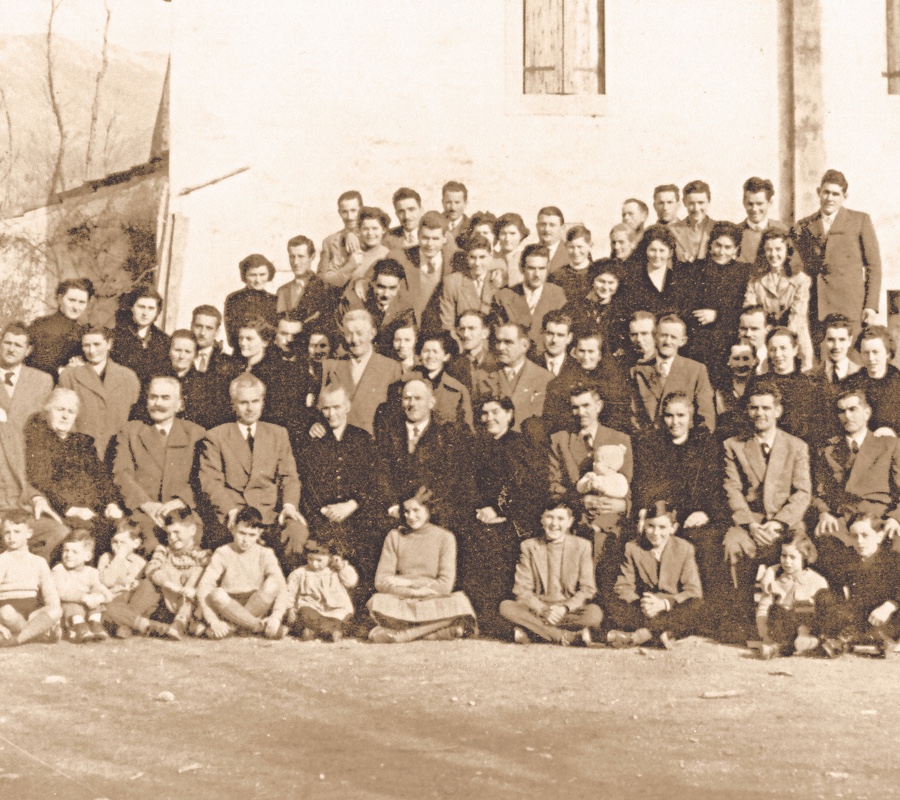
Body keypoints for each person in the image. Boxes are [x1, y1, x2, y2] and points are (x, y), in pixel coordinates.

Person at [722, 383, 812, 621]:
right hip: (750, 523)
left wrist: (779, 523)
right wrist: (751, 525)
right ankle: (742, 617)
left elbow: (803, 492)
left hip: (786, 525)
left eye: (766, 408)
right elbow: (732, 489)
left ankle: (792, 618)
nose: (759, 413)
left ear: (778, 411)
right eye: (754, 408)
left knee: (798, 550)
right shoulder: (734, 445)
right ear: (747, 411)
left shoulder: (796, 446)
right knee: (732, 544)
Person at [199, 373, 308, 557]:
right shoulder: (216, 436)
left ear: (262, 402)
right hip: (233, 515)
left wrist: (289, 506)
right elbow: (211, 482)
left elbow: (289, 477)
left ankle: (290, 576)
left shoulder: (278, 434)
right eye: (243, 402)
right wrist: (230, 511)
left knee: (297, 531)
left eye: (255, 401)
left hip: (269, 516)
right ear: (233, 404)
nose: (250, 408)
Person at [463, 395, 544, 636]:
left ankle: (508, 624)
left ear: (509, 414)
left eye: (495, 412)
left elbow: (526, 486)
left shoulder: (520, 445)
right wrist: (480, 509)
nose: (489, 418)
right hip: (483, 519)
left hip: (513, 521)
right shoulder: (479, 446)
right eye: (485, 413)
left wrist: (499, 511)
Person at [632, 392, 725, 600]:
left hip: (694, 516)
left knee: (705, 542)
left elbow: (714, 486)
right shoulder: (651, 445)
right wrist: (645, 513)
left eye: (681, 415)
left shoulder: (705, 445)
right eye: (669, 416)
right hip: (662, 514)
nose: (675, 422)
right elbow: (645, 485)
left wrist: (706, 513)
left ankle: (698, 603)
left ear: (690, 418)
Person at [293, 385, 380, 591]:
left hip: (355, 514)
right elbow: (307, 484)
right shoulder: (311, 440)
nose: (331, 414)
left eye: (337, 407)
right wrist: (324, 510)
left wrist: (352, 505)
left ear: (347, 407)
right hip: (321, 516)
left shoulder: (362, 439)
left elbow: (372, 481)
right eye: (326, 408)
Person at [368, 487, 476, 643]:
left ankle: (404, 635)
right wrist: (414, 593)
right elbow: (381, 581)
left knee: (460, 603)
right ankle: (435, 632)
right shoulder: (394, 536)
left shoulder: (445, 537)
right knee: (376, 602)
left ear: (429, 509)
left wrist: (408, 582)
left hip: (432, 600)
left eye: (416, 510)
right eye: (406, 511)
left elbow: (445, 585)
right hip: (403, 600)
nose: (411, 516)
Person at [113, 375, 206, 550]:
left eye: (165, 398)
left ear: (179, 404)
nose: (158, 403)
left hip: (183, 512)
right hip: (143, 513)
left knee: (190, 546)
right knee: (149, 545)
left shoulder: (196, 434)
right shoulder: (131, 431)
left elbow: (203, 477)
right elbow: (121, 474)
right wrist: (146, 504)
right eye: (153, 397)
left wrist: (182, 501)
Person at [24, 388, 122, 550]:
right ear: (47, 411)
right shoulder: (38, 443)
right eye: (60, 409)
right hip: (62, 510)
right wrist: (70, 509)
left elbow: (101, 477)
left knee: (122, 530)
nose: (65, 416)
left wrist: (111, 503)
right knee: (89, 534)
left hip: (94, 509)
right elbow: (42, 482)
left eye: (71, 412)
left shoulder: (82, 442)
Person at [375, 376, 475, 534]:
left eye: (418, 398)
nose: (412, 404)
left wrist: (422, 504)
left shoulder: (447, 435)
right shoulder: (388, 433)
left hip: (435, 516)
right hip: (395, 515)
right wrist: (393, 505)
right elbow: (381, 473)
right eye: (407, 398)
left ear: (431, 402)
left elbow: (449, 479)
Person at [793, 169, 882, 344]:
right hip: (817, 308)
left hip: (850, 308)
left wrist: (871, 306)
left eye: (835, 194)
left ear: (844, 196)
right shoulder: (804, 225)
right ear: (819, 192)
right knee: (820, 357)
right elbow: (797, 266)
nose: (830, 198)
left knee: (850, 357)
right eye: (826, 192)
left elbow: (874, 266)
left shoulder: (859, 221)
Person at [499, 499, 602, 645]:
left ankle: (534, 632)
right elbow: (521, 589)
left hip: (567, 612)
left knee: (594, 613)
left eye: (560, 519)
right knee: (506, 607)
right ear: (542, 519)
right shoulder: (529, 546)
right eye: (549, 517)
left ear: (569, 522)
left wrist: (564, 608)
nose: (554, 524)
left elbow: (587, 589)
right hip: (537, 610)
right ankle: (564, 636)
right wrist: (543, 610)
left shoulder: (582, 546)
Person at [606, 500, 705, 648]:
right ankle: (662, 633)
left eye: (662, 527)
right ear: (644, 525)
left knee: (696, 606)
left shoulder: (684, 548)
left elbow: (693, 590)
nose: (656, 533)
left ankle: (640, 636)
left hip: (670, 606)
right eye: (651, 526)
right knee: (616, 607)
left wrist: (664, 604)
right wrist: (644, 604)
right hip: (643, 607)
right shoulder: (632, 547)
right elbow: (624, 586)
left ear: (673, 528)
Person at [812, 389, 900, 553]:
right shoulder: (828, 450)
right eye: (842, 411)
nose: (847, 416)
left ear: (867, 413)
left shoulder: (890, 445)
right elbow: (818, 492)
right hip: (843, 521)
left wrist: (896, 518)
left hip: (879, 519)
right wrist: (824, 513)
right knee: (824, 541)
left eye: (853, 409)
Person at [105, 508, 210, 638]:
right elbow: (151, 569)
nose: (172, 537)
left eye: (176, 532)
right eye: (169, 534)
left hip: (190, 604)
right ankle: (149, 625)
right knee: (146, 584)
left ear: (192, 530)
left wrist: (194, 590)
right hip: (163, 603)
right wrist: (170, 585)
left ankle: (130, 624)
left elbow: (209, 578)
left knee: (198, 572)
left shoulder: (203, 555)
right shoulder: (163, 551)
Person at [196, 507, 290, 639]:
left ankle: (233, 627)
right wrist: (213, 621)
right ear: (233, 529)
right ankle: (258, 627)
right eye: (242, 533)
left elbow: (281, 586)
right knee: (217, 594)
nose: (246, 540)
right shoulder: (223, 552)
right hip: (229, 606)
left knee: (274, 583)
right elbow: (204, 585)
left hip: (256, 603)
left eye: (252, 535)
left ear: (259, 533)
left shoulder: (265, 553)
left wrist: (276, 617)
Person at [816, 513, 900, 659]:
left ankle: (871, 642)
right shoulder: (848, 558)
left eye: (865, 535)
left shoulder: (893, 560)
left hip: (889, 617)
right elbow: (820, 571)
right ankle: (855, 642)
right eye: (855, 536)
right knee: (824, 595)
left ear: (879, 536)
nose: (859, 541)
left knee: (880, 635)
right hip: (862, 617)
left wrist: (890, 605)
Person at [58, 325, 141, 461]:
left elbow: (134, 418)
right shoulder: (70, 376)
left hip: (118, 455)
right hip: (81, 455)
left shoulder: (128, 377)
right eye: (86, 345)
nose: (92, 351)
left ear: (109, 344)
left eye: (97, 344)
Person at [320, 309, 403, 435]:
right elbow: (320, 407)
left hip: (373, 441)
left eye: (359, 333)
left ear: (372, 333)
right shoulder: (331, 367)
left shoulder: (391, 368)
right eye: (349, 334)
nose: (354, 339)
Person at [629, 314, 715, 433]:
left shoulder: (696, 370)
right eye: (663, 336)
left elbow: (706, 416)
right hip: (648, 439)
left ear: (682, 341)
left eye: (673, 337)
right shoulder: (638, 370)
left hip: (686, 440)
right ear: (655, 337)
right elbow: (633, 414)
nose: (667, 341)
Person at [743, 227, 814, 371]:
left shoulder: (801, 280)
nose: (773, 254)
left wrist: (781, 341)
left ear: (787, 251)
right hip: (764, 337)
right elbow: (750, 310)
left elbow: (797, 315)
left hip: (794, 337)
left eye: (778, 249)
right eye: (769, 250)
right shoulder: (755, 281)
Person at [688, 221, 752, 370]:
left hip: (730, 340)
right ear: (710, 245)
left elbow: (743, 308)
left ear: (736, 249)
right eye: (718, 245)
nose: (721, 252)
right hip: (698, 340)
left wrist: (718, 316)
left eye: (728, 247)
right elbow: (686, 305)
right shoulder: (696, 269)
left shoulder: (743, 273)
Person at [755, 533, 828, 659]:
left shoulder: (817, 580)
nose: (787, 561)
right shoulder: (775, 580)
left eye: (793, 557)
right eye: (784, 556)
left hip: (807, 628)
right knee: (777, 610)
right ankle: (779, 646)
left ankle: (800, 644)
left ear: (804, 557)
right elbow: (763, 608)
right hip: (783, 629)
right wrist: (765, 636)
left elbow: (823, 613)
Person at [476, 320, 553, 431]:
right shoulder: (482, 375)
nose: (500, 347)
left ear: (524, 346)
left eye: (508, 342)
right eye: (498, 341)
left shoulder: (545, 378)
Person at [0, 510, 62, 646]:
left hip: (32, 613)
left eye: (17, 532)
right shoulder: (2, 560)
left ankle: (17, 639)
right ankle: (37, 634)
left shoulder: (39, 562)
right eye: (7, 532)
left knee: (56, 610)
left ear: (28, 533)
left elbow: (51, 596)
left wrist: (53, 617)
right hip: (9, 612)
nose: (11, 537)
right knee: (6, 612)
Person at [491, 244, 567, 351]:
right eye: (531, 268)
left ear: (548, 267)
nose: (537, 274)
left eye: (542, 268)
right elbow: (497, 335)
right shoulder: (504, 297)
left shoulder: (558, 295)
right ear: (521, 268)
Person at [285, 539, 358, 642]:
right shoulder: (300, 573)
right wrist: (290, 607)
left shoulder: (336, 571)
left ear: (330, 558)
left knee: (341, 617)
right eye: (310, 559)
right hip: (312, 608)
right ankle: (327, 631)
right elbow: (289, 592)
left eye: (319, 560)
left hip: (334, 610)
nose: (314, 564)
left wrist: (341, 566)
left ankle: (318, 632)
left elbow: (351, 582)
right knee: (306, 613)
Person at [340, 258, 416, 355]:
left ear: (398, 286)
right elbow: (343, 341)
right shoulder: (353, 302)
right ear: (372, 282)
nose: (386, 294)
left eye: (392, 288)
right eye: (381, 287)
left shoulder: (405, 307)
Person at [616, 224, 690, 323]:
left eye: (662, 250)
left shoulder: (679, 279)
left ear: (670, 253)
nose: (657, 255)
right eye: (652, 250)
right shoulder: (632, 279)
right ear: (645, 250)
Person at [52, 529, 112, 642]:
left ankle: (95, 624)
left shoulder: (91, 572)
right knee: (71, 604)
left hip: (87, 610)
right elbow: (61, 592)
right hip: (69, 614)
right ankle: (79, 627)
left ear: (87, 556)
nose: (68, 555)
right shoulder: (59, 570)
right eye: (66, 550)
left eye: (74, 552)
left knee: (96, 597)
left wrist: (99, 597)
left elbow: (105, 592)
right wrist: (83, 597)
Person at [189, 305, 242, 430]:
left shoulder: (230, 365)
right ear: (191, 326)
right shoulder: (179, 357)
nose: (202, 333)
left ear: (217, 332)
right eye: (198, 326)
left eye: (209, 328)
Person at [27, 277, 94, 377]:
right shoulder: (41, 325)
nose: (76, 307)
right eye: (72, 300)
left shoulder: (85, 332)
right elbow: (34, 362)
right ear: (60, 298)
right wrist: (65, 370)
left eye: (82, 302)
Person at [322, 205, 392, 291]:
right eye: (365, 229)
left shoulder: (388, 255)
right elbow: (327, 281)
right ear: (359, 230)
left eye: (375, 228)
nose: (370, 233)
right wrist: (349, 266)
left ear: (383, 230)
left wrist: (363, 283)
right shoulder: (349, 249)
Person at [0, 323, 53, 433]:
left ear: (28, 350)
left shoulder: (42, 381)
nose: (11, 349)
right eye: (7, 343)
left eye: (18, 345)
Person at [111, 288, 171, 384]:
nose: (145, 313)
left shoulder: (164, 341)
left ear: (157, 312)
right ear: (132, 307)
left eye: (151, 308)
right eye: (141, 307)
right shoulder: (116, 337)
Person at [439, 233, 497, 333]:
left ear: (491, 256)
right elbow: (447, 325)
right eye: (472, 257)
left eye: (482, 257)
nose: (477, 263)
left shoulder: (498, 279)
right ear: (466, 257)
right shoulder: (452, 282)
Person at [847, 326, 900, 434]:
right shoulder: (851, 384)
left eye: (875, 352)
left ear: (887, 353)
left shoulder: (897, 381)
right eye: (866, 353)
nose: (871, 358)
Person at [275, 235, 336, 326]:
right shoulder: (282, 291)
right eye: (292, 256)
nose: (295, 262)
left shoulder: (325, 288)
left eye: (301, 256)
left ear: (312, 257)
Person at [223, 254, 278, 351]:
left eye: (262, 275)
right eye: (253, 275)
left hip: (269, 354)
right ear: (244, 275)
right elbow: (232, 339)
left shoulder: (274, 300)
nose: (258, 280)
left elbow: (278, 335)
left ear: (269, 274)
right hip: (242, 352)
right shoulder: (234, 299)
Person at [445, 310, 496, 396]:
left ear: (485, 333)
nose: (465, 334)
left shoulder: (497, 364)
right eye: (462, 329)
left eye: (471, 328)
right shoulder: (451, 365)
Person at [739, 177, 789, 264]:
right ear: (744, 202)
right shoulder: (735, 233)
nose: (754, 209)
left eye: (759, 204)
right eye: (750, 204)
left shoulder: (784, 230)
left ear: (770, 203)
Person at [318, 190, 363, 285]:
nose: (350, 217)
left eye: (353, 211)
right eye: (345, 212)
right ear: (339, 212)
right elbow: (322, 277)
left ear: (361, 209)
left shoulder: (371, 236)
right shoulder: (329, 242)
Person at [97, 521, 146, 599]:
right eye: (115, 542)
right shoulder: (106, 558)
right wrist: (118, 558)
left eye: (123, 542)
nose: (118, 546)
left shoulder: (140, 562)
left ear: (135, 543)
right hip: (109, 597)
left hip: (129, 599)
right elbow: (107, 582)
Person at [669, 180, 715, 264]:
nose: (696, 208)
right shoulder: (672, 231)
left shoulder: (718, 229)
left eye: (701, 203)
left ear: (709, 201)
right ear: (684, 202)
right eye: (691, 203)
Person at [549, 225, 595, 301]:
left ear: (590, 246)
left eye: (580, 247)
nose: (575, 252)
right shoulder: (557, 275)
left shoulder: (597, 273)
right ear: (565, 246)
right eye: (571, 247)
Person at [494, 212, 529, 287]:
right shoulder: (492, 258)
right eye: (503, 233)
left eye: (512, 233)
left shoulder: (526, 259)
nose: (507, 239)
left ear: (521, 235)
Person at [535, 206, 568, 273]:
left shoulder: (572, 253)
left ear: (562, 228)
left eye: (552, 225)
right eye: (543, 224)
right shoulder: (528, 253)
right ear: (537, 227)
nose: (547, 229)